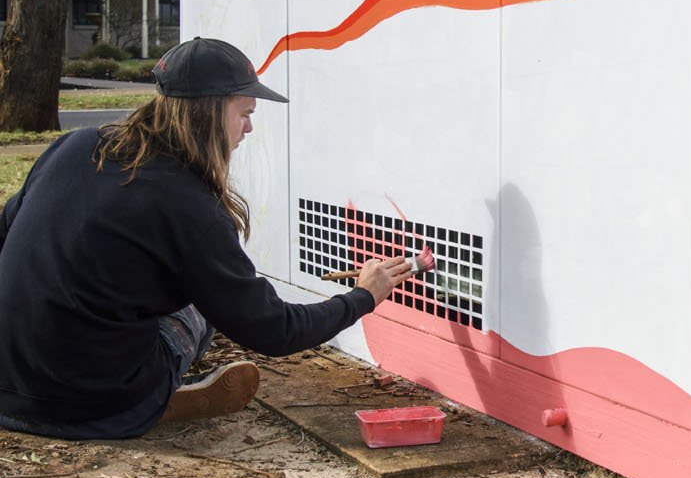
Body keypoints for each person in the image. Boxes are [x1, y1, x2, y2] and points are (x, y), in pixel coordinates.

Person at [0, 37, 414, 439]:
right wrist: (363, 296)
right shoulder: (191, 207)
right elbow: (274, 330)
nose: (249, 127)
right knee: (201, 305)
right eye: (245, 112)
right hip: (94, 407)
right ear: (211, 112)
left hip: (8, 389)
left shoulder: (76, 145)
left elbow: (7, 232)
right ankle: (155, 392)